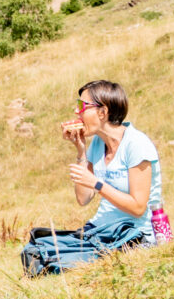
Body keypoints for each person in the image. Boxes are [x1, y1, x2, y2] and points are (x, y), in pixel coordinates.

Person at [23, 79, 162, 276]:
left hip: (134, 233)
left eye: (82, 106)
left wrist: (97, 183)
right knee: (36, 249)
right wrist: (81, 151)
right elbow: (83, 198)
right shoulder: (97, 144)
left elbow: (138, 208)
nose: (77, 112)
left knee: (52, 263)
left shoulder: (136, 144)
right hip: (100, 229)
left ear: (102, 112)